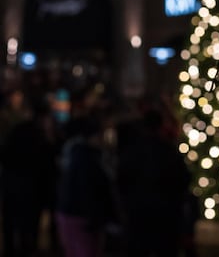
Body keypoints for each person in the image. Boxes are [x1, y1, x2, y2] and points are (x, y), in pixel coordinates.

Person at [117, 106, 190, 257]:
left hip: (138, 214)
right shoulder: (168, 152)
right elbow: (183, 181)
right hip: (165, 216)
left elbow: (121, 181)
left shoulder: (132, 152)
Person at [55, 110, 118, 257]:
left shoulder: (81, 154)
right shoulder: (85, 157)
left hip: (75, 214)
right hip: (80, 216)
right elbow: (89, 189)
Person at [2, 97, 58, 257]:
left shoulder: (18, 130)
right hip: (32, 189)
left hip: (13, 185)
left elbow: (5, 155)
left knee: (11, 226)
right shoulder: (42, 136)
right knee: (28, 228)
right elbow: (48, 164)